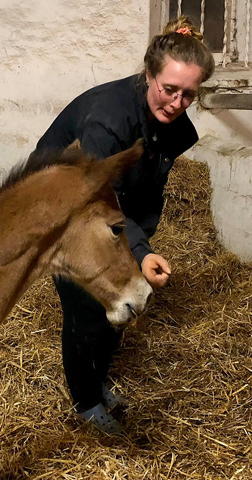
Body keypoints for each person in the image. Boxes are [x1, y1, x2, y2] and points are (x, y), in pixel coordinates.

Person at [30, 16, 215, 434]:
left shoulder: (168, 123)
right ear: (148, 74)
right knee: (86, 303)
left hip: (111, 206)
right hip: (65, 201)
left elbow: (143, 189)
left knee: (125, 296)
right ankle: (86, 400)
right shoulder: (108, 120)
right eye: (168, 89)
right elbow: (96, 199)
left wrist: (139, 246)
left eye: (189, 94)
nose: (176, 102)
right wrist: (141, 250)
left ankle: (97, 378)